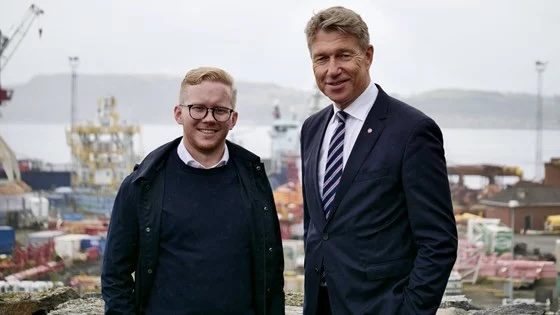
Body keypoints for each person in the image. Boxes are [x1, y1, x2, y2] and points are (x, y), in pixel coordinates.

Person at [300, 6, 458, 315]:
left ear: (368, 55)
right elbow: (317, 227)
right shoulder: (312, 128)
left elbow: (439, 242)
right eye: (322, 58)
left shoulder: (413, 130)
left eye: (344, 55)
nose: (332, 70)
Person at [102, 66, 285, 314]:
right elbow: (115, 275)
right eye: (197, 108)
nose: (208, 118)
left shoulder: (255, 181)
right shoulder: (142, 185)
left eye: (220, 110)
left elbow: (272, 273)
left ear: (233, 119)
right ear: (179, 113)